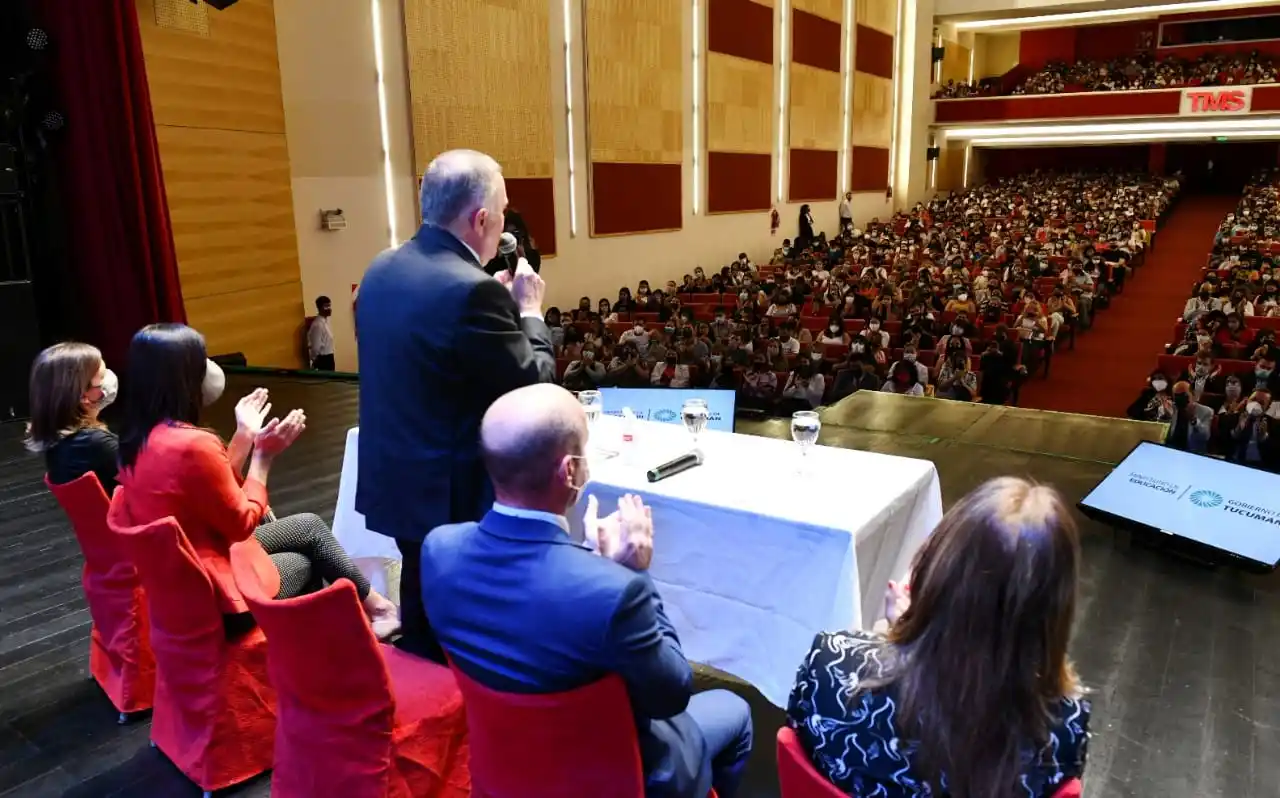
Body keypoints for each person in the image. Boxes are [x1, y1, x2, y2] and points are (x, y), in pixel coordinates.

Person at [421, 384, 753, 798]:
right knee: (737, 712)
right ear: (570, 471)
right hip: (614, 778)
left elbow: (531, 612)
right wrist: (633, 571)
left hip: (504, 765)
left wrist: (588, 562)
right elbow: (672, 694)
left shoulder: (439, 549)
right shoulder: (615, 593)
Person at [356, 149, 557, 659]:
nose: (505, 225)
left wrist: (489, 306)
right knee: (465, 623)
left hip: (397, 477)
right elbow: (534, 383)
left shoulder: (382, 268)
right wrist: (529, 314)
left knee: (420, 601)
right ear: (481, 218)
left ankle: (424, 698)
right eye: (503, 212)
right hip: (450, 491)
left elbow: (429, 359)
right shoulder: (471, 293)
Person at [787, 477, 1089, 798]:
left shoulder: (829, 663)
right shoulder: (1064, 725)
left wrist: (893, 636)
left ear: (939, 567)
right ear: (1054, 609)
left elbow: (800, 736)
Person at [111, 324, 399, 637]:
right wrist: (262, 458)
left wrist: (245, 435)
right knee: (307, 562)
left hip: (183, 573)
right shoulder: (192, 444)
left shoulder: (134, 438)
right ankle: (312, 651)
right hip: (215, 593)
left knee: (309, 526)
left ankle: (378, 607)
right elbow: (240, 522)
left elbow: (210, 487)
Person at [26, 342, 121, 494]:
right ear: (83, 395)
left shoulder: (58, 440)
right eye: (102, 377)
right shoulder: (96, 444)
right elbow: (149, 484)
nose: (109, 379)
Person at [1165, 381, 1213, 454]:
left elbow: (1205, 436)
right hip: (1172, 451)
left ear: (1192, 395)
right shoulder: (1171, 409)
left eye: (1183, 395)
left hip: (1192, 453)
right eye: (1177, 396)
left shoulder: (1206, 411)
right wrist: (1166, 417)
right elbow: (1165, 437)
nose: (1180, 399)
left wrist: (1193, 419)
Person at [308, 295, 336, 371]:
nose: (329, 309)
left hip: (329, 357)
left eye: (329, 306)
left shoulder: (326, 322)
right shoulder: (318, 325)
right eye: (326, 306)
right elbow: (315, 347)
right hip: (323, 359)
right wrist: (315, 360)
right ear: (319, 308)